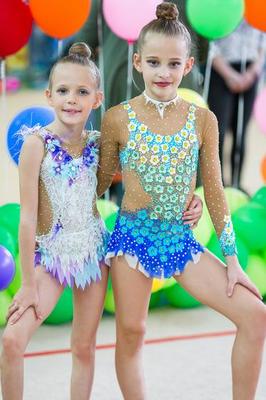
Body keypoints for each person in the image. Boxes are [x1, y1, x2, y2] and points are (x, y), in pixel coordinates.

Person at [97, 3, 266, 399]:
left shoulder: (201, 119)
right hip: (133, 240)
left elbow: (216, 188)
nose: (163, 72)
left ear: (188, 65)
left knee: (255, 315)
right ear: (138, 62)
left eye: (173, 64)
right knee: (132, 332)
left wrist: (233, 261)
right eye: (154, 62)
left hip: (180, 240)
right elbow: (103, 181)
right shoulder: (117, 118)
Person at [0, 43, 109, 400]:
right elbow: (28, 219)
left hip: (93, 252)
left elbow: (140, 180)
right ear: (49, 95)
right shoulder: (36, 144)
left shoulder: (99, 144)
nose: (71, 99)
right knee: (13, 340)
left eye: (82, 92)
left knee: (83, 347)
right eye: (63, 90)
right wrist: (28, 284)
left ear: (97, 98)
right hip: (51, 258)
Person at [207, 20, 266, 189]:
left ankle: (236, 184)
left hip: (251, 70)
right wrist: (229, 75)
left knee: (241, 133)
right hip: (221, 70)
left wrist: (252, 73)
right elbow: (210, 43)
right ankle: (218, 187)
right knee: (219, 132)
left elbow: (263, 40)